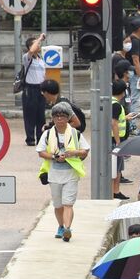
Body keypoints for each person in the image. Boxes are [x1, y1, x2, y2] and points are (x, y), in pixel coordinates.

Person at [37, 102, 90, 242]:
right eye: (57, 116)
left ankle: (67, 229)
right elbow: (41, 152)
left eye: (63, 116)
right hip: (54, 173)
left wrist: (73, 152)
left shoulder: (75, 133)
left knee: (68, 204)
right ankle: (61, 226)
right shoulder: (48, 134)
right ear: (53, 118)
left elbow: (85, 150)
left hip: (71, 173)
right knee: (58, 205)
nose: (60, 119)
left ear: (68, 118)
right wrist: (54, 157)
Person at [21, 33, 49, 146]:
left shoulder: (40, 59)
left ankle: (40, 138)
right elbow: (32, 50)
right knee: (30, 115)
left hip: (40, 88)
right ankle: (30, 138)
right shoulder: (27, 58)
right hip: (30, 89)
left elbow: (44, 74)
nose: (39, 45)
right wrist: (39, 38)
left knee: (40, 115)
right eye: (36, 44)